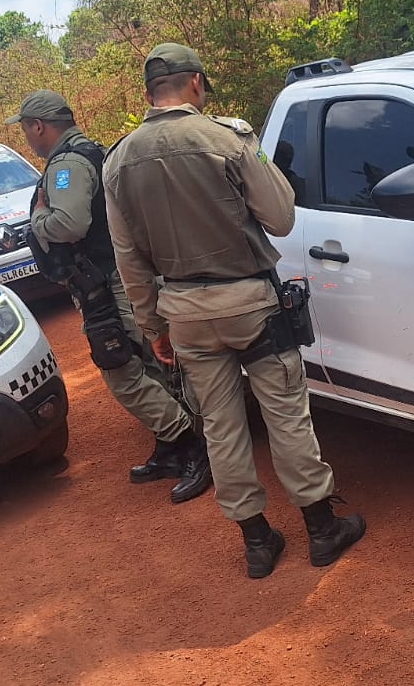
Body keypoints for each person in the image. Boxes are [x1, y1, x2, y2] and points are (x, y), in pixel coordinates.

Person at [102, 45, 366, 579]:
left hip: (183, 313)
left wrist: (153, 326)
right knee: (285, 413)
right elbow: (282, 217)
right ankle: (320, 529)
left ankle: (257, 542)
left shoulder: (119, 161)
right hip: (249, 302)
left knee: (222, 425)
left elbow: (127, 258)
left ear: (149, 94)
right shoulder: (229, 139)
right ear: (196, 83)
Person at [10, 89, 211, 503]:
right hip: (115, 276)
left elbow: (69, 223)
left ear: (38, 126)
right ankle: (171, 446)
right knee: (147, 363)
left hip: (106, 282)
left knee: (119, 368)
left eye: (27, 129)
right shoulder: (92, 151)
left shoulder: (66, 163)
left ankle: (192, 444)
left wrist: (37, 222)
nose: (27, 137)